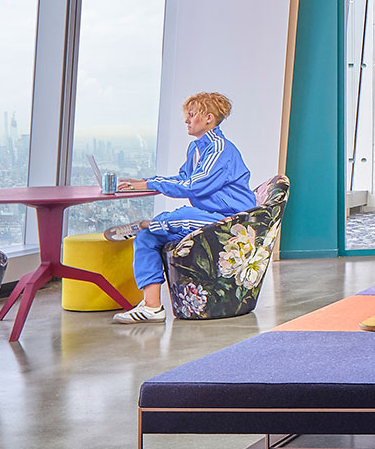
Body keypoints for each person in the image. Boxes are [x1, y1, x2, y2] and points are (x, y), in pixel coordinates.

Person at [104, 92, 259, 323]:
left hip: (230, 220)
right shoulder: (196, 150)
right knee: (147, 237)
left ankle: (148, 222)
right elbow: (182, 178)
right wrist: (144, 183)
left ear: (208, 118)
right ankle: (152, 306)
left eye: (192, 114)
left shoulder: (220, 149)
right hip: (207, 217)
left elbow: (194, 186)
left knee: (181, 216)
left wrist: (149, 184)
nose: (186, 120)